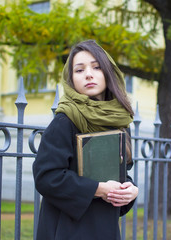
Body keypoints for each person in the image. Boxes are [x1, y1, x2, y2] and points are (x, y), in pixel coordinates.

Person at [32, 40, 138, 240]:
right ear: (71, 79)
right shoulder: (65, 121)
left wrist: (129, 191)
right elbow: (46, 177)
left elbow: (120, 175)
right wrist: (98, 189)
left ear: (108, 73)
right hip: (66, 230)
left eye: (96, 67)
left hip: (105, 228)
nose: (88, 74)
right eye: (79, 70)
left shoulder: (120, 122)